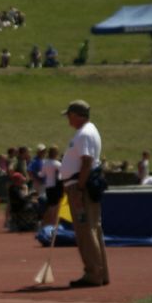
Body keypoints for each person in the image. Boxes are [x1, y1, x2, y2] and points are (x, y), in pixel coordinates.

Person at [59, 100, 109, 287]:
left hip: (81, 186)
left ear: (77, 115)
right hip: (82, 184)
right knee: (93, 228)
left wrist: (79, 188)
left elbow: (86, 162)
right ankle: (100, 272)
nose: (68, 120)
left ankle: (93, 273)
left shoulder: (84, 134)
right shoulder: (88, 131)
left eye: (69, 115)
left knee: (85, 230)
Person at [39, 145, 63, 228]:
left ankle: (45, 222)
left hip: (48, 186)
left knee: (50, 205)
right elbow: (62, 175)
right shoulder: (57, 164)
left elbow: (42, 174)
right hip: (55, 186)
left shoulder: (45, 162)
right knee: (55, 206)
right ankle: (53, 223)